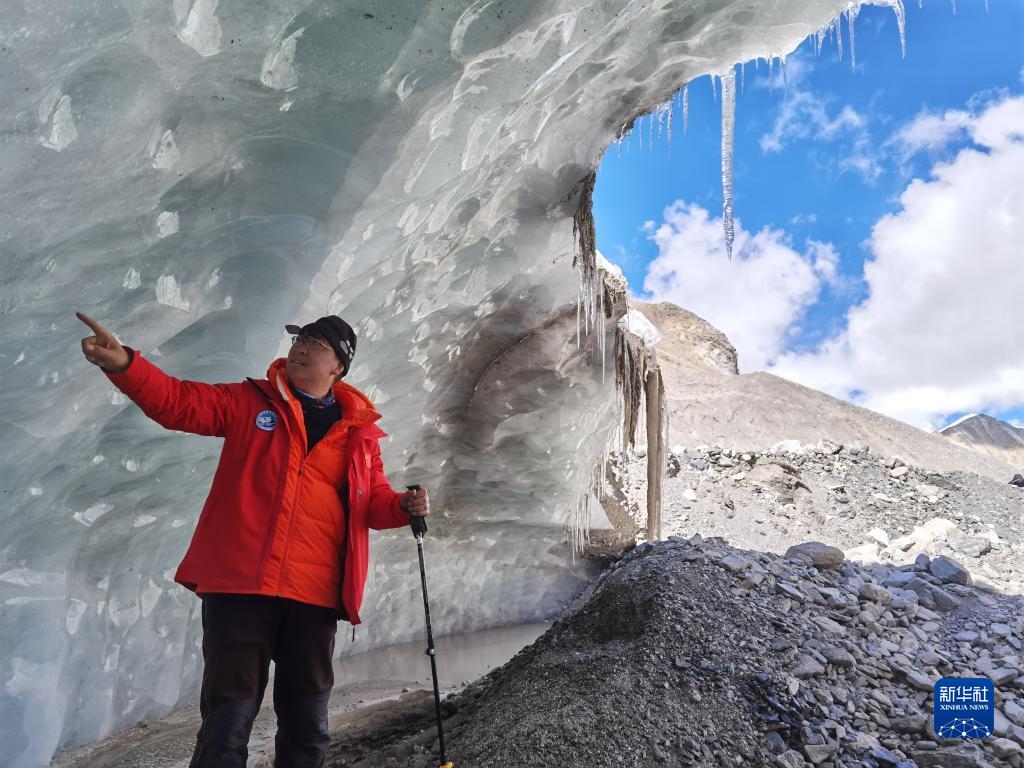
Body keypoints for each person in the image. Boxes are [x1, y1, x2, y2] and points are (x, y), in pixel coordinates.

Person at [76, 311, 429, 768]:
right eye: (300, 338)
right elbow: (177, 402)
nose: (301, 347)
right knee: (228, 720)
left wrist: (401, 506)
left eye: (317, 344)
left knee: (307, 726)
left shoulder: (359, 435)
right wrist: (126, 364)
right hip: (241, 587)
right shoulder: (250, 402)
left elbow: (372, 502)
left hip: (314, 594)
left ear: (338, 366)